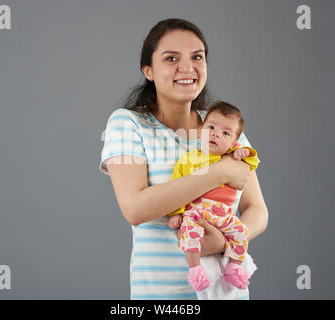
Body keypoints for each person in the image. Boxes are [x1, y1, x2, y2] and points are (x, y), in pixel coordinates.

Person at [100, 18, 268, 300]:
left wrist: (223, 241)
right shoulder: (128, 124)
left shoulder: (222, 128)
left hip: (227, 295)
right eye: (171, 58)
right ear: (148, 70)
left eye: (197, 57)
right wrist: (218, 173)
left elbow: (257, 210)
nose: (187, 68)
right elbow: (135, 208)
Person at [167, 101, 259, 291]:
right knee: (190, 235)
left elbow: (253, 160)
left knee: (242, 232)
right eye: (211, 127)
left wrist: (243, 152)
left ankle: (233, 267)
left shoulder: (233, 157)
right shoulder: (189, 159)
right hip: (196, 212)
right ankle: (195, 270)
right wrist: (176, 214)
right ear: (201, 131)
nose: (217, 133)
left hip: (224, 215)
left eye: (226, 133)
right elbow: (176, 186)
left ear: (234, 142)